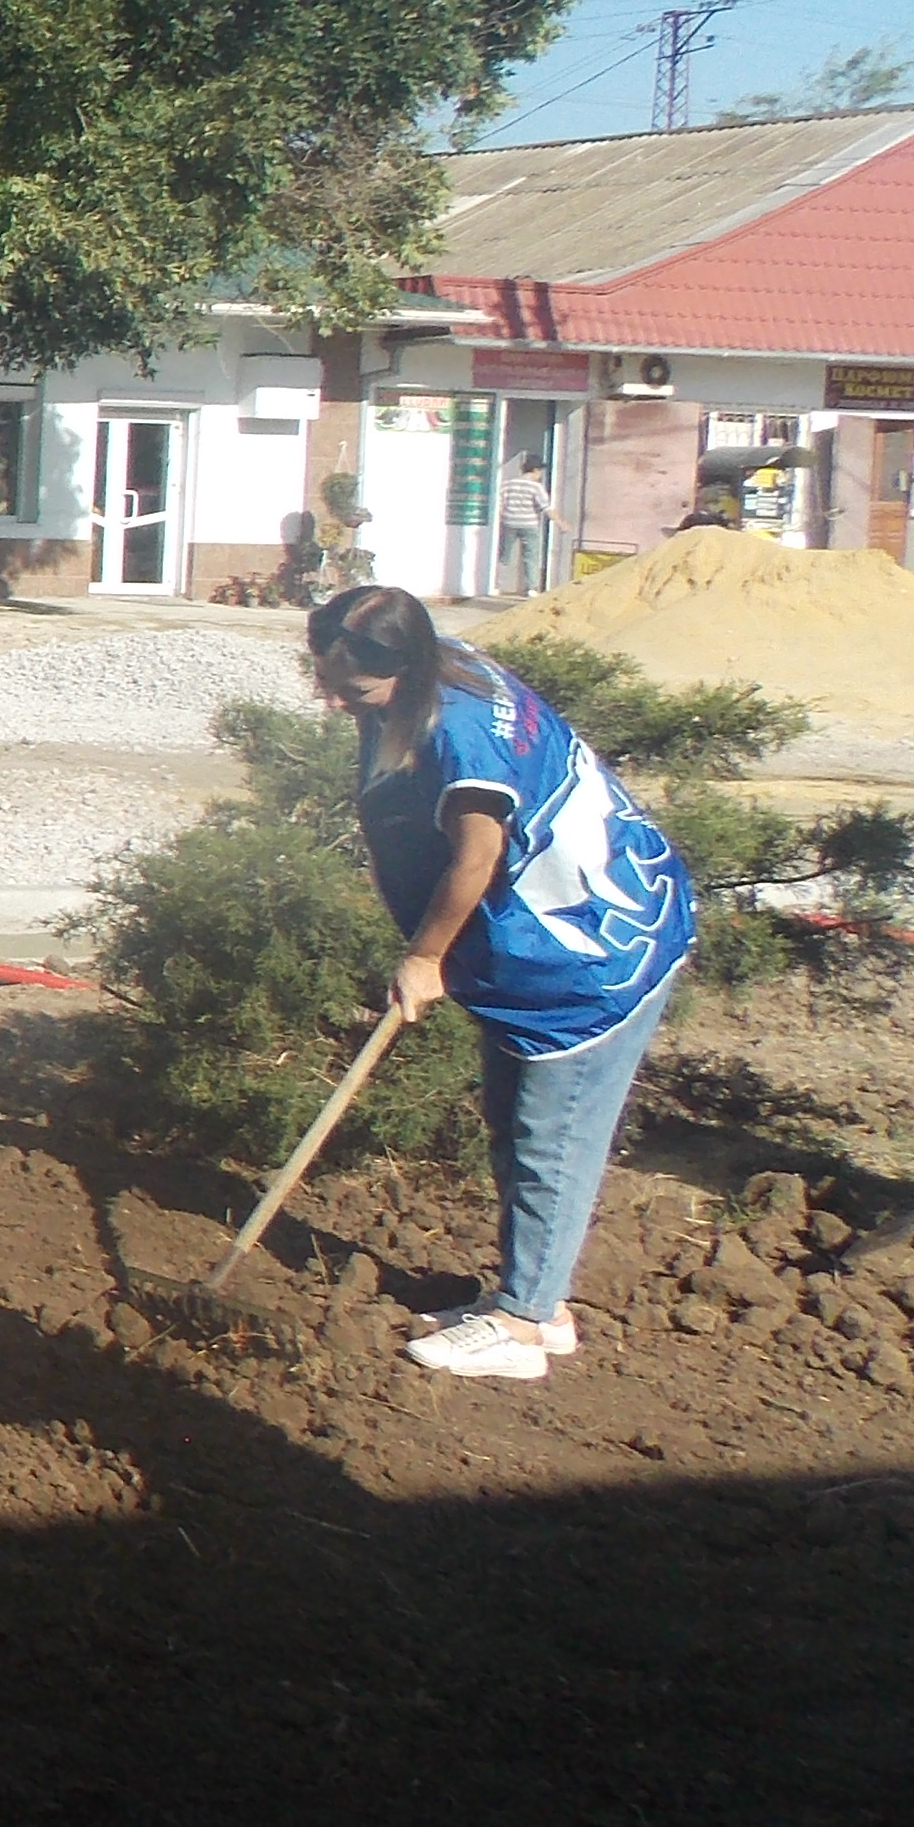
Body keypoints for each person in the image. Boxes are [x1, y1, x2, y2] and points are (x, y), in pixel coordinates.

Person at [307, 583, 695, 1381]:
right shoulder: (438, 671)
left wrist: (425, 959)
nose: (336, 701)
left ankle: (524, 1326)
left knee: (552, 1136)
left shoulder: (468, 735)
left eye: (354, 690)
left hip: (591, 953)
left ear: (405, 670)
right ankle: (531, 1296)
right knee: (513, 1122)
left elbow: (476, 859)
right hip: (541, 941)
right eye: (327, 680)